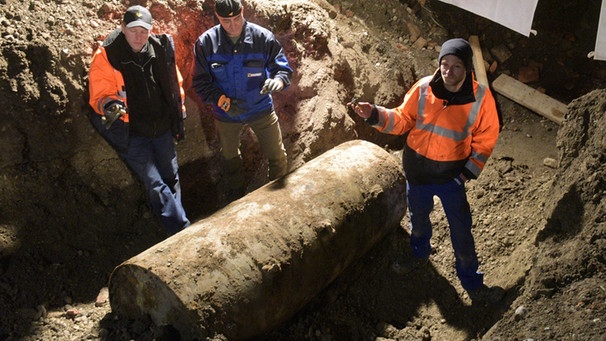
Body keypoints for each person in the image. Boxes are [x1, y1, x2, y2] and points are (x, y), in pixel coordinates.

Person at [349, 38, 503, 303]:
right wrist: (373, 114)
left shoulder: (480, 99)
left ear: (467, 69)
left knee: (461, 230)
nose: (448, 71)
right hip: (417, 174)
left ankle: (473, 283)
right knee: (418, 220)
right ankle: (419, 253)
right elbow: (401, 119)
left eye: (456, 66)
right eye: (444, 64)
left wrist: (465, 174)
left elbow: (486, 139)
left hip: (450, 178)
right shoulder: (423, 89)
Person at [88, 5, 190, 236]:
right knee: (155, 183)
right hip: (132, 133)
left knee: (171, 177)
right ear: (123, 28)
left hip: (161, 127)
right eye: (133, 30)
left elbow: (175, 86)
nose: (138, 36)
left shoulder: (159, 50)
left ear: (150, 30)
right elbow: (100, 94)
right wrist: (110, 105)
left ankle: (176, 227)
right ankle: (182, 229)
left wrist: (178, 114)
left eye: (143, 31)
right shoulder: (108, 55)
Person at [191, 0, 293, 202]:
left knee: (278, 156)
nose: (233, 25)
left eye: (237, 18)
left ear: (243, 11)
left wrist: (278, 81)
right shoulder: (206, 44)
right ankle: (236, 199)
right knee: (230, 159)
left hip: (260, 107)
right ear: (217, 18)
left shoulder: (262, 38)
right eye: (226, 21)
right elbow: (200, 82)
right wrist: (221, 101)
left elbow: (282, 69)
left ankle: (278, 200)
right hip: (226, 113)